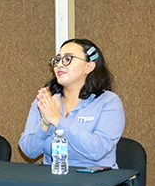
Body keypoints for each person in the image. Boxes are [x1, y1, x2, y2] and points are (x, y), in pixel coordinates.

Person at [19, 38, 125, 168]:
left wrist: (57, 120)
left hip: (94, 182)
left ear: (89, 67)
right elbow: (29, 151)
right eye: (57, 60)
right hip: (53, 180)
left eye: (68, 59)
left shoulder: (108, 101)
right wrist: (45, 123)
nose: (59, 65)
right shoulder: (46, 101)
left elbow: (98, 150)